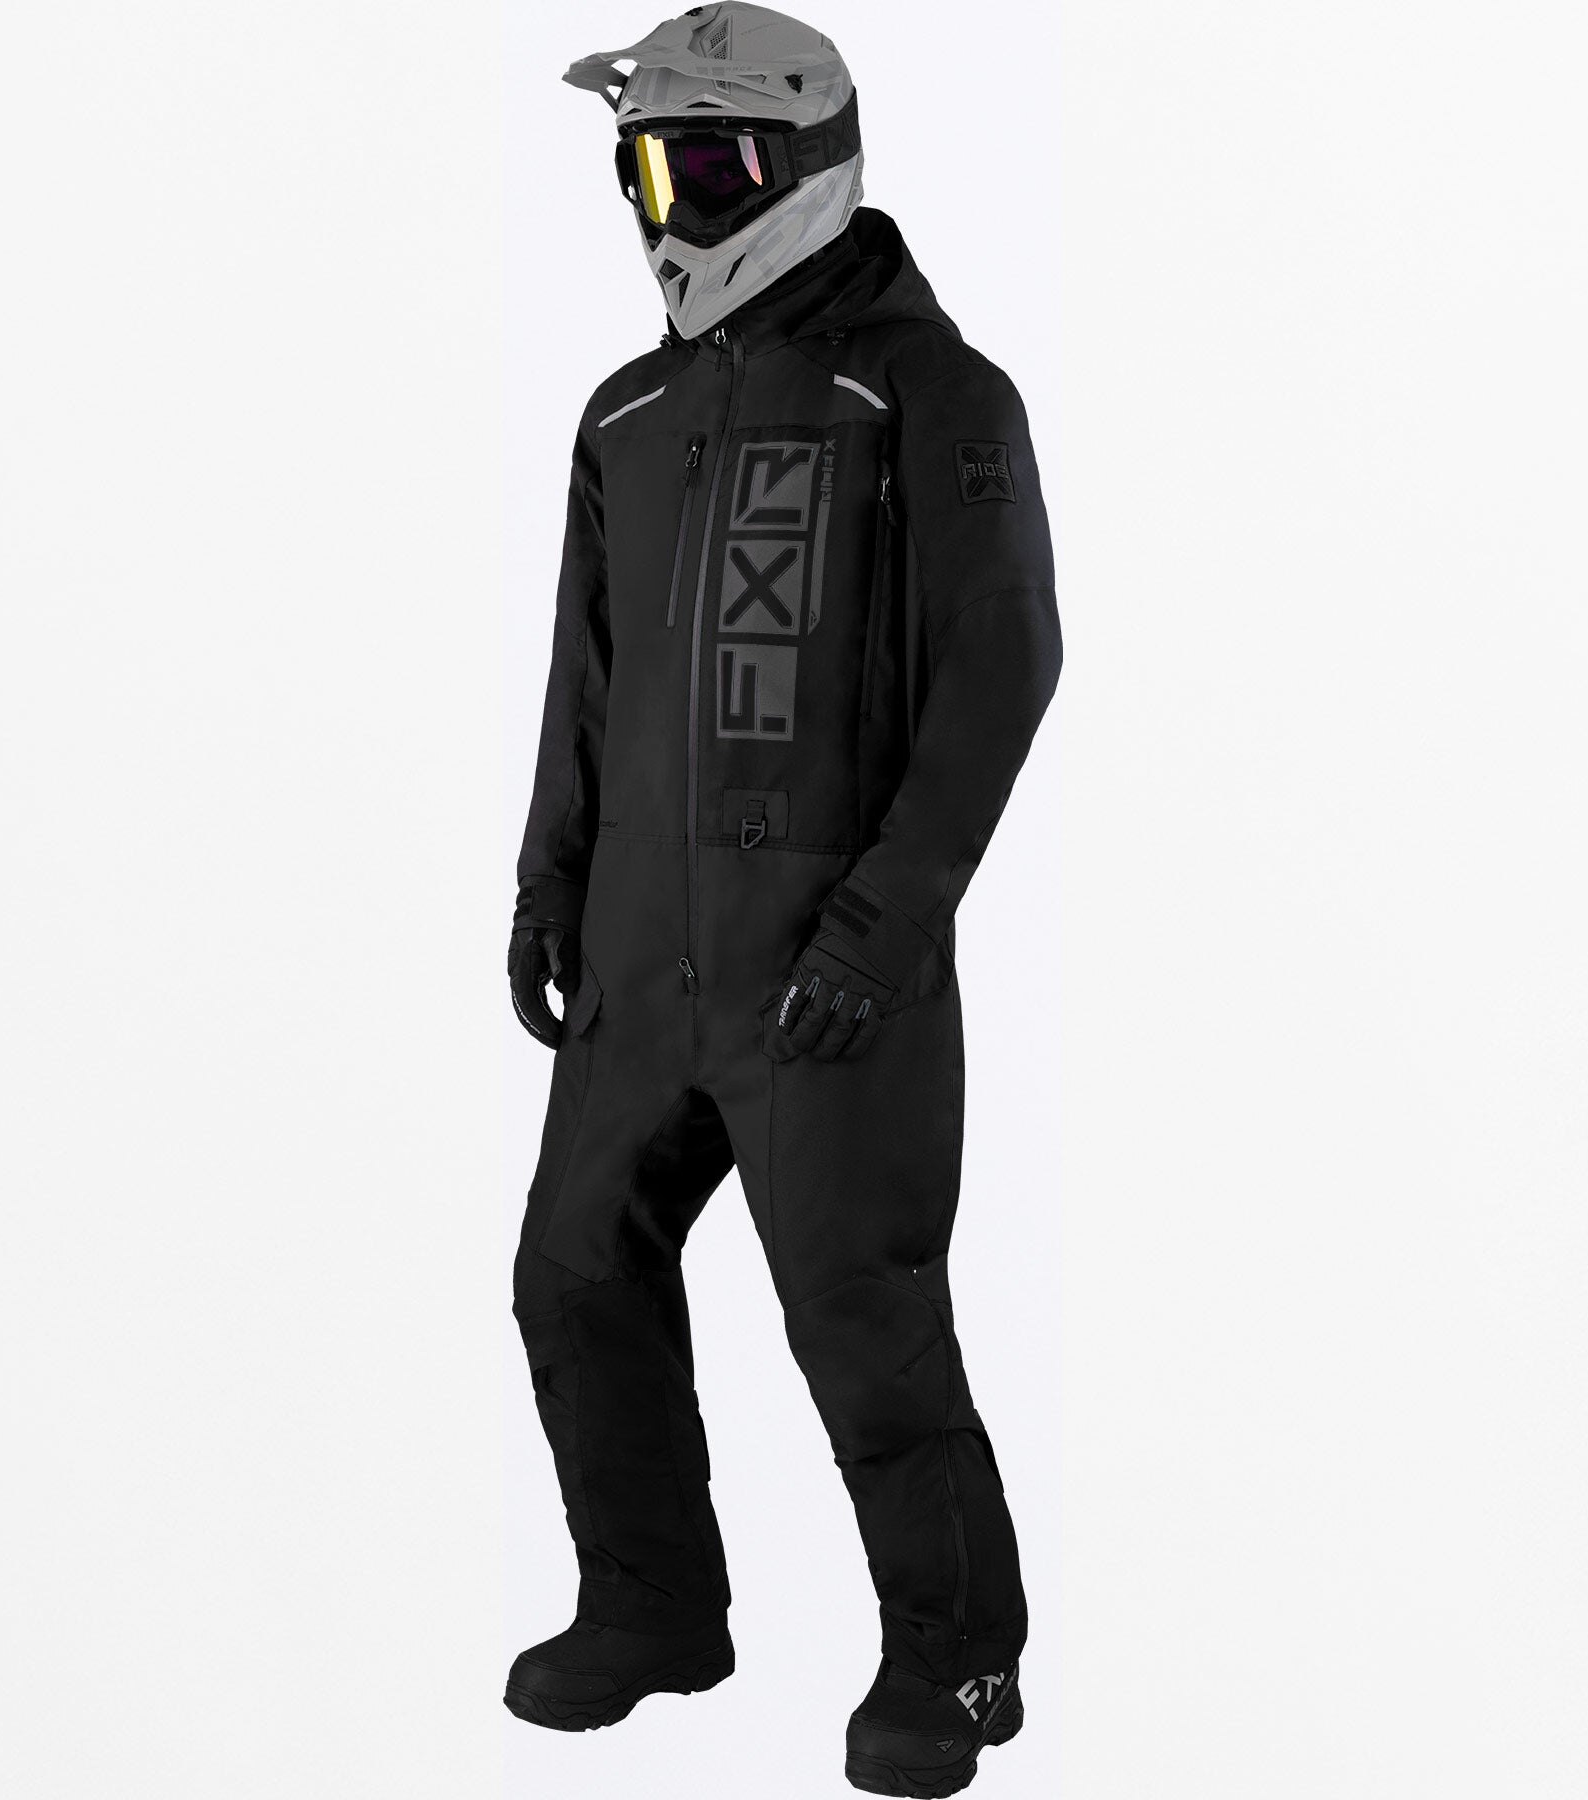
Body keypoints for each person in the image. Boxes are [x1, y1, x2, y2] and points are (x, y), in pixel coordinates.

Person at [503, 7, 1061, 1792]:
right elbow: (586, 680)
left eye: (712, 165)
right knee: (573, 1276)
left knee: (865, 1323)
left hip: (828, 969)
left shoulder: (934, 397)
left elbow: (1004, 670)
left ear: (810, 166)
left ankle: (960, 1664)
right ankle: (652, 1605)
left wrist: (886, 926)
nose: (674, 207)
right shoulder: (629, 411)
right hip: (638, 962)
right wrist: (548, 880)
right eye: (649, 169)